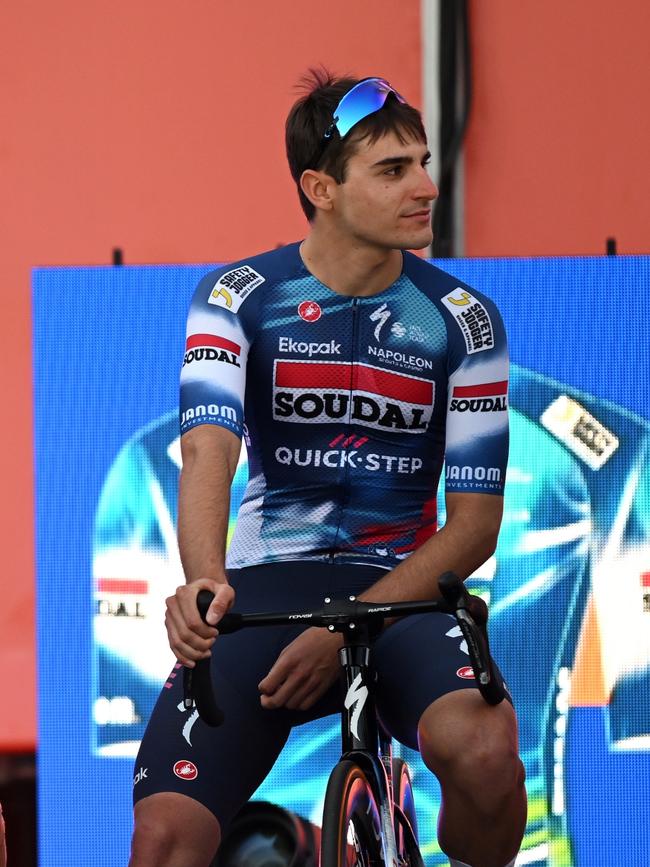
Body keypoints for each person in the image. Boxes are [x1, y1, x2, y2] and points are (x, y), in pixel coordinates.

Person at [129, 71, 526, 867]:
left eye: (422, 161)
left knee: (485, 758)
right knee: (165, 839)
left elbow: (477, 524)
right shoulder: (237, 296)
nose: (426, 185)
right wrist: (204, 580)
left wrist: (350, 622)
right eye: (393, 169)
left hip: (401, 587)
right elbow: (211, 448)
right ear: (322, 189)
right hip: (270, 582)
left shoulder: (464, 319)